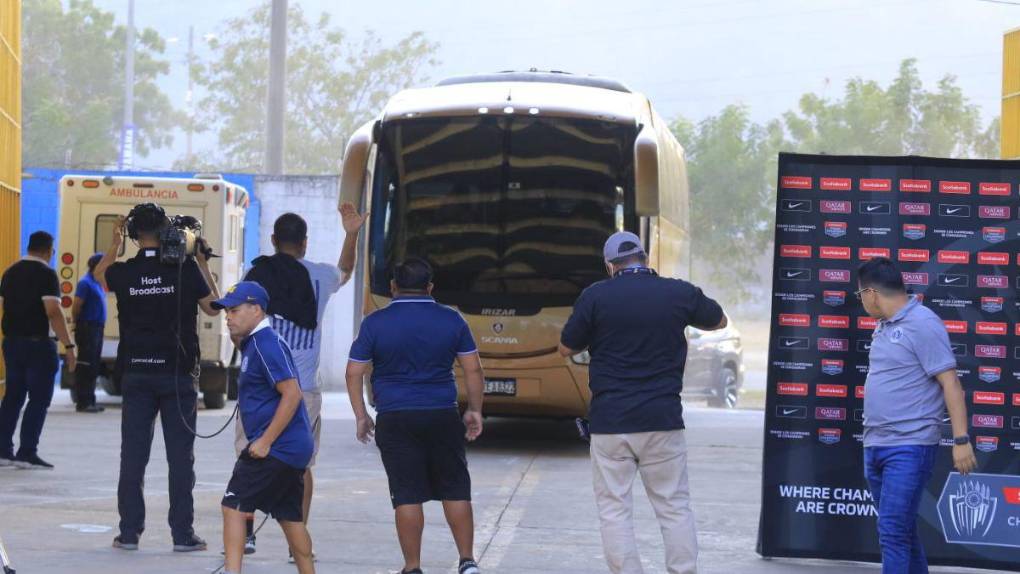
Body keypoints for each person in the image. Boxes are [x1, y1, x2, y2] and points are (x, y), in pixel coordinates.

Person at [558, 231, 727, 574]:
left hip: (610, 423)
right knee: (674, 506)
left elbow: (566, 347)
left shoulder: (595, 297)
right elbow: (719, 320)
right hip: (662, 420)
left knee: (614, 508)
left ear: (609, 265)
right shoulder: (678, 292)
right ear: (646, 257)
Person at [236, 203, 366, 557]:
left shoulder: (256, 273)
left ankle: (245, 535)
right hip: (303, 387)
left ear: (274, 240)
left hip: (260, 388)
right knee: (300, 465)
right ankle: (298, 544)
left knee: (251, 455)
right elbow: (346, 270)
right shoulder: (320, 277)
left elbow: (239, 325)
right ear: (304, 244)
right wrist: (351, 232)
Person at [94, 203, 220, 552]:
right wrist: (201, 262)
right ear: (167, 231)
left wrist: (114, 246)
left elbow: (98, 276)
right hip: (176, 375)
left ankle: (129, 533)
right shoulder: (184, 270)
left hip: (136, 373)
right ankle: (182, 536)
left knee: (133, 456)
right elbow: (214, 306)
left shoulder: (123, 272)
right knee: (180, 458)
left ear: (134, 237)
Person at [345, 258, 484, 574]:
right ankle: (467, 560)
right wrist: (474, 410)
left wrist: (361, 415)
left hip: (395, 418)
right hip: (441, 414)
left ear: (393, 287)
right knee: (455, 487)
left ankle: (413, 566)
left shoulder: (375, 323)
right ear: (430, 287)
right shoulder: (452, 320)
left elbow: (353, 373)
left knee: (406, 493)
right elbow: (473, 368)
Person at [856, 257, 976, 573]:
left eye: (860, 296)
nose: (862, 303)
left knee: (892, 532)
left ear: (870, 293)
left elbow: (950, 382)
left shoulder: (923, 323)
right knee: (903, 532)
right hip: (876, 444)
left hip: (909, 446)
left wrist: (961, 439)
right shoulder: (883, 326)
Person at [216, 281, 315, 574]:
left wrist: (265, 441)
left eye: (234, 310)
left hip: (278, 447)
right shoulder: (253, 342)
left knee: (232, 506)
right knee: (290, 517)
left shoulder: (266, 344)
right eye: (226, 312)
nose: (228, 317)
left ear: (256, 310)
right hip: (291, 448)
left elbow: (293, 393)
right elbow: (237, 338)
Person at [0, 231, 76, 469]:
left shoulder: (10, 272)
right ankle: (27, 451)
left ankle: (3, 451)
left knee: (12, 397)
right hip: (38, 345)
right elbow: (53, 311)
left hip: (12, 343)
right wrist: (69, 345)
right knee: (39, 399)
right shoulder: (46, 274)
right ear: (48, 250)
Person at [71, 253, 107, 413]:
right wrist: (76, 323)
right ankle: (83, 401)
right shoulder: (85, 283)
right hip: (87, 327)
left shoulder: (97, 282)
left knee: (93, 365)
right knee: (86, 365)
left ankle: (90, 400)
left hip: (97, 328)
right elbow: (77, 305)